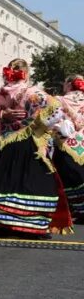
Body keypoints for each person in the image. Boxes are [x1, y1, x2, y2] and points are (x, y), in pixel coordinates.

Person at [0, 60, 73, 238]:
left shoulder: (1, 93)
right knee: (34, 183)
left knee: (4, 184)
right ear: (26, 73)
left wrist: (4, 117)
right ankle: (30, 226)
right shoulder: (33, 92)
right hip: (28, 144)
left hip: (5, 144)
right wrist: (39, 124)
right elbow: (56, 110)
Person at [54, 76, 84, 222]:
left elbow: (52, 120)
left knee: (68, 178)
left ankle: (77, 209)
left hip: (66, 145)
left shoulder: (59, 100)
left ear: (68, 85)